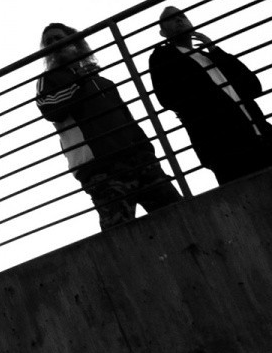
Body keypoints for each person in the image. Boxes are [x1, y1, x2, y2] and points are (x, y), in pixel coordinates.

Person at [35, 23, 182, 229]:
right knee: (120, 233)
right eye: (48, 42)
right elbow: (51, 108)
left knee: (179, 217)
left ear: (74, 42)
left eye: (58, 38)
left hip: (139, 161)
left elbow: (127, 118)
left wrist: (146, 150)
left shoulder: (102, 81)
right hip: (100, 168)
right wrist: (80, 80)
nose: (53, 44)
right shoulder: (48, 80)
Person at [148, 5, 272, 184]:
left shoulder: (210, 56)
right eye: (171, 19)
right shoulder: (163, 57)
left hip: (256, 138)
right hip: (223, 146)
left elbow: (252, 86)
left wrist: (214, 49)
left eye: (182, 16)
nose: (179, 19)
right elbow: (167, 97)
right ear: (162, 33)